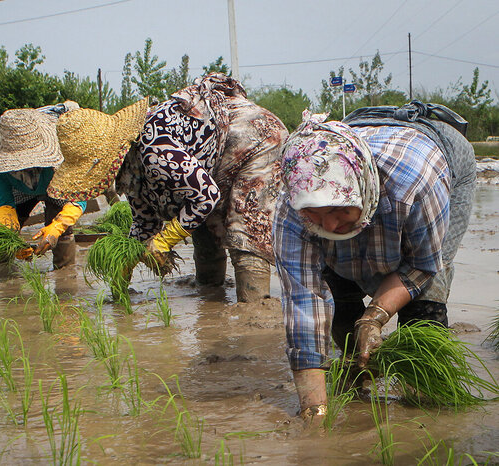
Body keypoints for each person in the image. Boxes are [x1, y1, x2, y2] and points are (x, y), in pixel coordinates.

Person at [272, 103, 476, 421]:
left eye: (340, 210)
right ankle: (361, 371)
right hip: (359, 145)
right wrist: (314, 413)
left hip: (438, 152)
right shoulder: (291, 211)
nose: (331, 225)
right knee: (336, 290)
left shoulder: (414, 190)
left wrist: (374, 318)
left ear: (361, 193)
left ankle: (422, 396)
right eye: (316, 213)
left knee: (426, 301)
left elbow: (421, 266)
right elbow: (303, 307)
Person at [49, 73, 288, 302]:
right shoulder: (132, 168)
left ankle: (254, 309)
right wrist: (126, 261)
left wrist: (164, 242)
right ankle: (210, 291)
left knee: (242, 224)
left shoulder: (154, 150)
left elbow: (207, 196)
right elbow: (145, 220)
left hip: (257, 138)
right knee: (200, 221)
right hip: (219, 150)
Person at [0, 103, 88, 269]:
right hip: (18, 189)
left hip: (55, 185)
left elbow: (79, 197)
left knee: (62, 232)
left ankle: (65, 277)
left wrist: (57, 227)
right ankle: (4, 275)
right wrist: (13, 239)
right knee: (4, 237)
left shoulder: (62, 151)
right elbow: (3, 202)